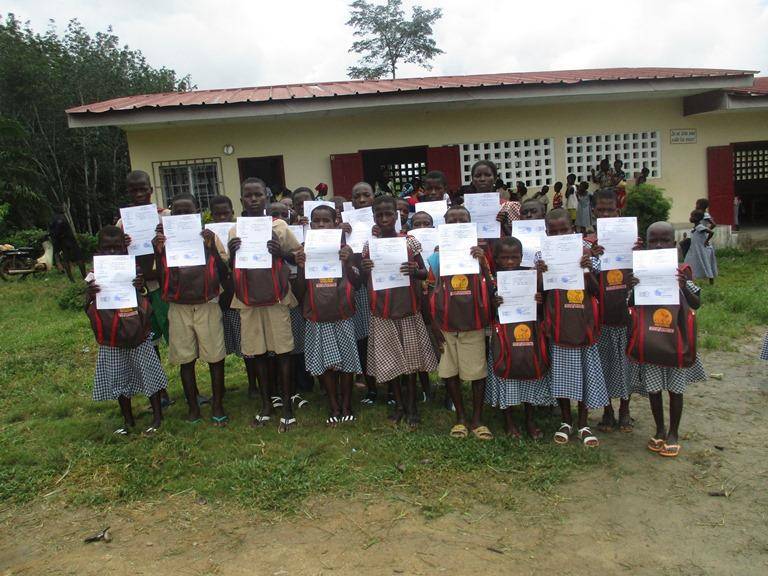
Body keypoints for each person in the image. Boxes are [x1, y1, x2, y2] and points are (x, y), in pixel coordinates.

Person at [228, 177, 301, 432]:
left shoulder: (279, 226)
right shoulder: (235, 231)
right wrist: (232, 252)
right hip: (247, 299)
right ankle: (266, 404)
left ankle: (287, 407)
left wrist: (281, 253)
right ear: (242, 201)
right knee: (257, 352)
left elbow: (299, 255)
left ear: (267, 198)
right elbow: (229, 266)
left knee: (282, 352)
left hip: (276, 297)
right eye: (248, 196)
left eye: (258, 194)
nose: (254, 199)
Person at [628, 221, 706, 457]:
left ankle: (674, 432)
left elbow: (696, 303)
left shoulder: (681, 272)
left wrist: (683, 287)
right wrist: (634, 288)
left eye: (664, 240)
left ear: (673, 244)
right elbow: (630, 304)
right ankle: (660, 429)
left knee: (675, 389)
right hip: (651, 342)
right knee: (653, 389)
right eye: (654, 241)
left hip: (675, 342)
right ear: (647, 244)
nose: (659, 245)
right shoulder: (640, 272)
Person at [362, 196, 438, 427]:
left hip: (407, 309)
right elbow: (365, 281)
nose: (384, 219)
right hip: (382, 310)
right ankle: (399, 403)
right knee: (390, 360)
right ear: (374, 217)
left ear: (397, 216)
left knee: (412, 362)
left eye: (389, 214)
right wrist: (365, 269)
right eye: (379, 215)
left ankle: (413, 405)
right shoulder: (369, 246)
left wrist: (415, 270)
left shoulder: (410, 241)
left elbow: (426, 273)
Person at [153, 193, 228, 425]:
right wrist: (159, 251)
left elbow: (224, 272)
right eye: (177, 212)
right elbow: (159, 276)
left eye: (188, 212)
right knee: (186, 359)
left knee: (215, 357)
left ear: (197, 213)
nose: (183, 216)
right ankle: (192, 406)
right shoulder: (165, 241)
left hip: (207, 304)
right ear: (170, 215)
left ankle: (217, 403)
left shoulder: (209, 237)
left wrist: (210, 248)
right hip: (179, 306)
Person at [86, 225, 167, 435]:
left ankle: (158, 416)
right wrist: (91, 293)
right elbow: (87, 305)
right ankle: (128, 419)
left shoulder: (134, 268)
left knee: (149, 373)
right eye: (107, 248)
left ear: (125, 247)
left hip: (137, 332)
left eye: (117, 247)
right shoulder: (94, 274)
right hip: (111, 335)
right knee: (118, 376)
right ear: (99, 249)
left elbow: (143, 295)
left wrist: (139, 285)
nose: (112, 252)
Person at [538, 208, 607, 447]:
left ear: (573, 229)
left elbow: (598, 291)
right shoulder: (542, 255)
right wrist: (540, 273)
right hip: (558, 323)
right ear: (546, 232)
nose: (558, 235)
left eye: (563, 230)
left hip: (583, 324)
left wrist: (587, 269)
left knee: (585, 374)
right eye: (553, 231)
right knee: (562, 374)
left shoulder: (586, 253)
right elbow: (539, 293)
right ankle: (566, 421)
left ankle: (584, 423)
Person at [428, 205, 493, 440]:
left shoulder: (481, 253)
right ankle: (461, 418)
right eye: (451, 221)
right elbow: (430, 290)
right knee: (449, 372)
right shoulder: (437, 256)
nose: (456, 225)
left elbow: (492, 287)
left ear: (470, 224)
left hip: (472, 322)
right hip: (446, 324)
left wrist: (483, 263)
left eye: (462, 221)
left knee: (477, 372)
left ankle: (477, 418)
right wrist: (434, 325)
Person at [293, 205, 361, 426]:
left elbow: (358, 283)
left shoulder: (345, 248)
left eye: (326, 220)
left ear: (335, 223)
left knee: (348, 361)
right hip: (316, 315)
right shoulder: (304, 249)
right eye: (317, 221)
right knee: (324, 363)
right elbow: (299, 292)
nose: (321, 225)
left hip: (342, 313)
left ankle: (347, 403)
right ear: (310, 224)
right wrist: (301, 267)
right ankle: (333, 403)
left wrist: (349, 262)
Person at [486, 237, 552, 438]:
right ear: (496, 259)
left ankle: (530, 419)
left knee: (529, 368)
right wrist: (494, 302)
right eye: (504, 258)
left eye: (514, 257)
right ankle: (509, 420)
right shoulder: (493, 280)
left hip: (528, 331)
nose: (509, 262)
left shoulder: (529, 276)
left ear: (522, 257)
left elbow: (542, 305)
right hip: (504, 334)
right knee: (506, 371)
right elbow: (487, 309)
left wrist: (539, 299)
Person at [588, 189, 634, 433]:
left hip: (626, 316)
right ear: (594, 212)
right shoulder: (588, 244)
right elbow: (591, 286)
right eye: (601, 210)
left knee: (627, 363)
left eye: (610, 209)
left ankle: (625, 409)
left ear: (619, 211)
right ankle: (607, 410)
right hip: (602, 318)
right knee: (604, 364)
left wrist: (639, 253)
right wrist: (591, 261)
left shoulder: (632, 242)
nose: (605, 214)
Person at [345, 181, 379, 406]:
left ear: (373, 197)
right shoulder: (344, 225)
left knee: (378, 338)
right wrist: (342, 236)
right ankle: (371, 386)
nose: (362, 200)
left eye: (366, 195)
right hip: (357, 290)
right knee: (362, 339)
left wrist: (379, 235)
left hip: (378, 288)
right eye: (357, 196)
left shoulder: (382, 221)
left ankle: (389, 382)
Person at [408, 210, 438, 402]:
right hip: (418, 299)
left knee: (439, 341)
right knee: (420, 344)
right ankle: (426, 388)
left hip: (437, 298)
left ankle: (445, 384)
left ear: (433, 226)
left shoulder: (439, 245)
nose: (421, 228)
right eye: (416, 224)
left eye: (425, 223)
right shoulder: (409, 246)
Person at [48, 208, 86, 280]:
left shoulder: (53, 218)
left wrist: (55, 241)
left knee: (66, 259)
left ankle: (71, 278)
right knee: (79, 257)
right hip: (69, 239)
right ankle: (84, 276)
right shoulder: (62, 218)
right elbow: (58, 229)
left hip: (60, 241)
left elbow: (52, 231)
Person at [684, 210, 718, 285]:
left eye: (692, 216)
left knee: (705, 263)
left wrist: (706, 241)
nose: (690, 218)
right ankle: (690, 279)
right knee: (690, 262)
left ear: (697, 218)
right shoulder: (695, 227)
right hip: (694, 249)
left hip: (700, 249)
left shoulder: (700, 227)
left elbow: (711, 232)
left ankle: (711, 279)